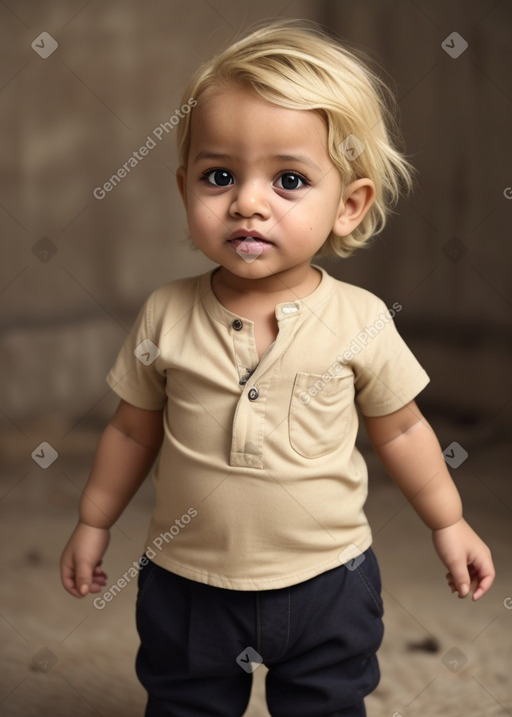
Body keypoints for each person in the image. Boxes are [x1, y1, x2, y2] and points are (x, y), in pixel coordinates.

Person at [60, 19, 495, 717]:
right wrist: (93, 519)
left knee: (327, 705)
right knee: (183, 703)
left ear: (348, 206)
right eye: (220, 175)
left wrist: (449, 523)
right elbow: (132, 431)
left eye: (289, 179)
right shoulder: (166, 314)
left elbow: (405, 430)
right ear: (185, 187)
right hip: (188, 582)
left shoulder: (360, 319)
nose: (247, 201)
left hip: (329, 580)